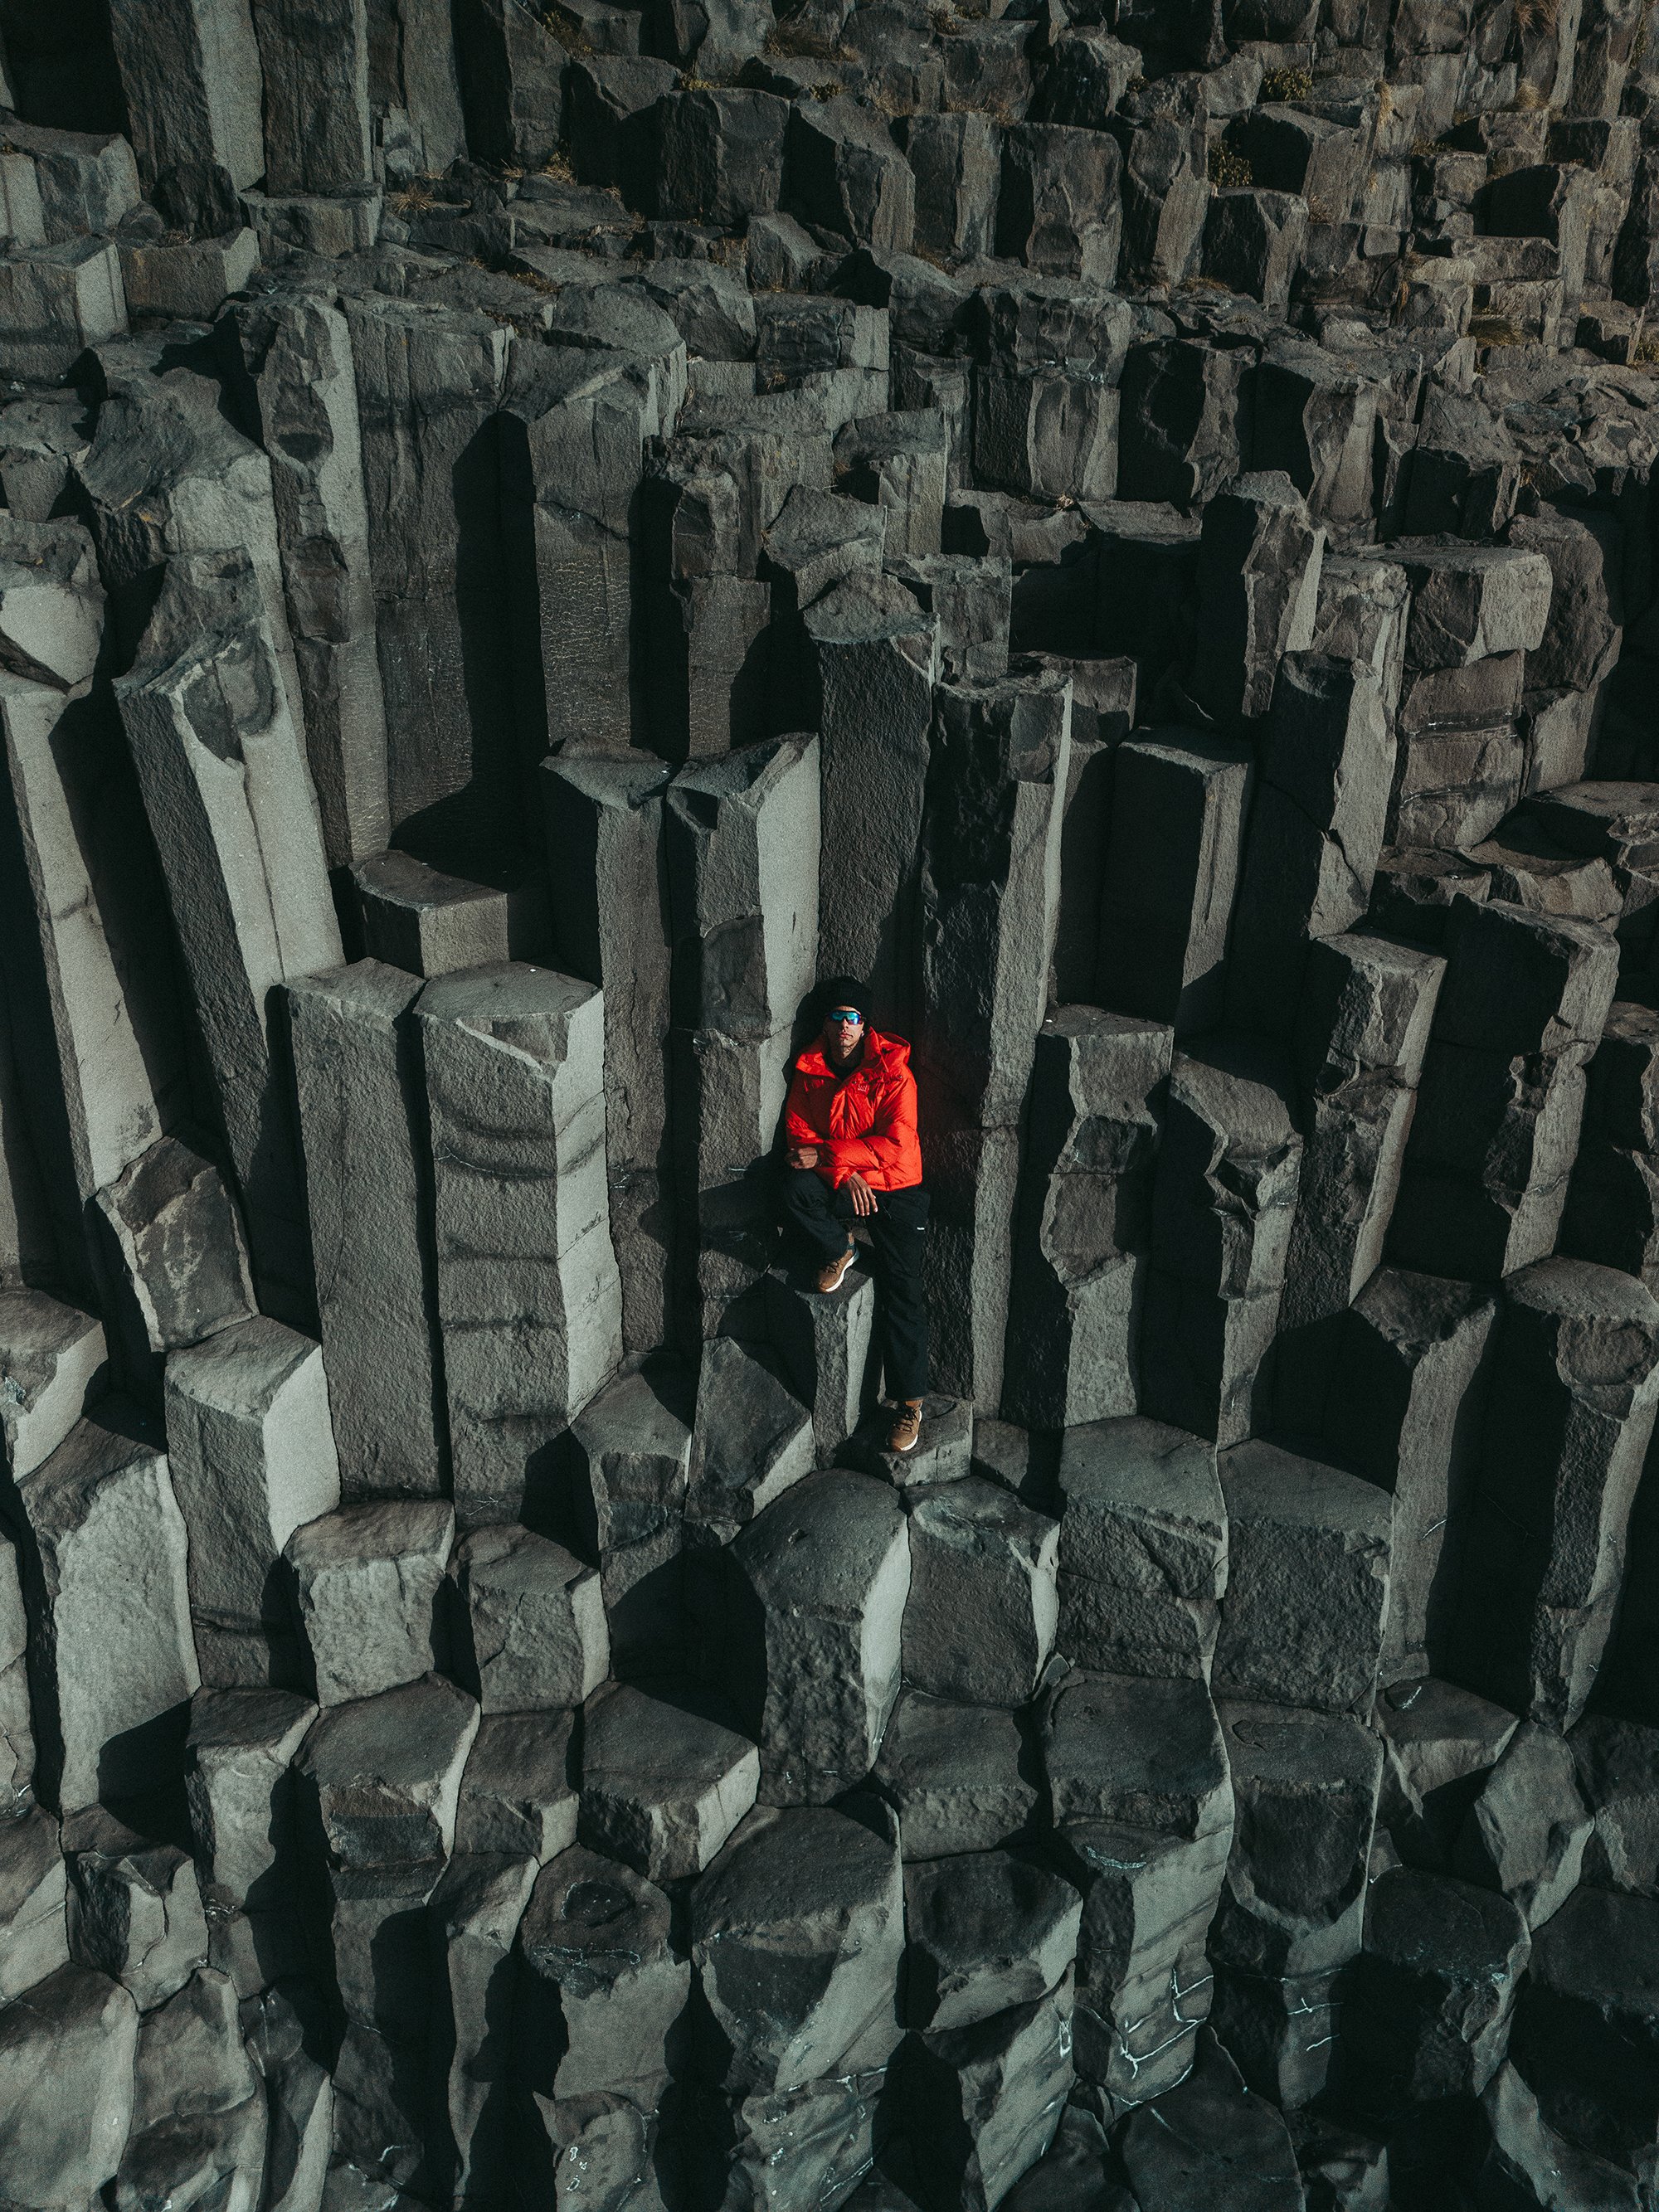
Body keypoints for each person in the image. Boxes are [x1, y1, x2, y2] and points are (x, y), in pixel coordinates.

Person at [781, 976, 931, 1453]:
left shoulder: (895, 1074)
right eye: (837, 1017)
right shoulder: (809, 1071)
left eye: (855, 1018)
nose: (846, 1026)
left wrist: (834, 1161)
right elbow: (799, 1136)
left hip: (898, 1189)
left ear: (865, 1028)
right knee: (792, 1187)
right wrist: (842, 1174)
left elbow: (896, 1143)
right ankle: (838, 1246)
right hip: (848, 1182)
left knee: (903, 1289)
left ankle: (909, 1404)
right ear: (825, 1025)